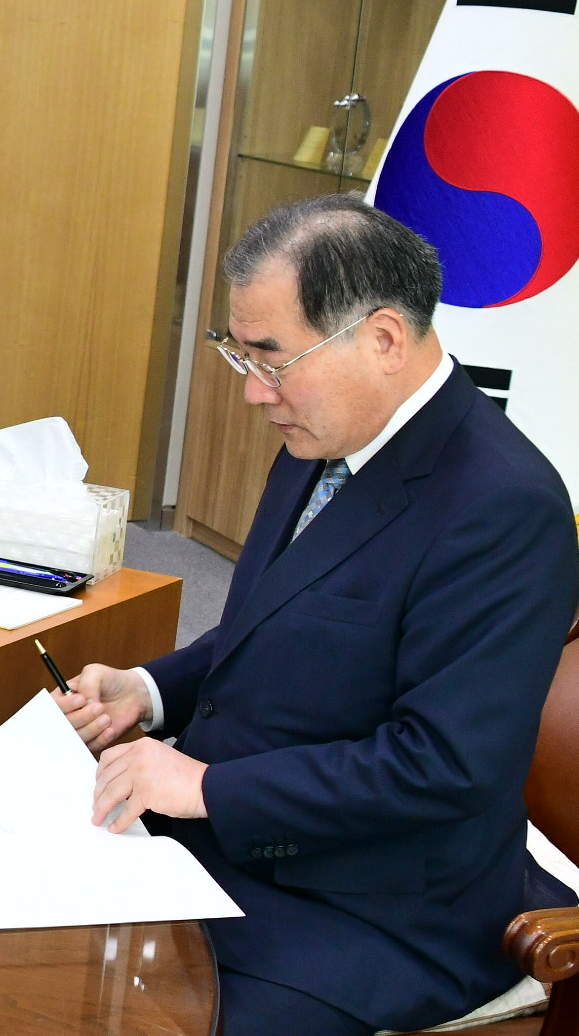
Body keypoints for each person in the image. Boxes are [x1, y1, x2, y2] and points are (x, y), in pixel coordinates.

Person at [56, 193, 579, 1035]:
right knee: (35, 951)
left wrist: (208, 786)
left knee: (158, 1018)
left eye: (272, 359)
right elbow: (287, 621)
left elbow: (443, 765)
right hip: (238, 836)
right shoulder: (325, 432)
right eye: (240, 356)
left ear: (381, 340)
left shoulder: (503, 506)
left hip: (380, 905)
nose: (256, 395)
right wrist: (149, 693)